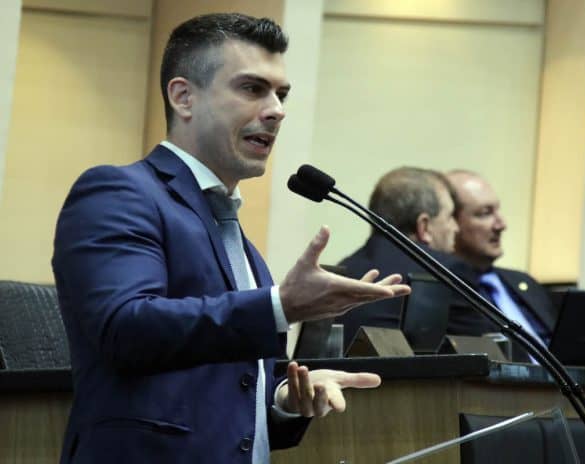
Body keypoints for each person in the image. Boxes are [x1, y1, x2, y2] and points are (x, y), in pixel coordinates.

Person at [51, 13, 409, 464]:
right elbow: (126, 329)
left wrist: (283, 398)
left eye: (281, 94)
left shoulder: (235, 237)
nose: (277, 110)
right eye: (252, 89)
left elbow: (228, 391)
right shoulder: (119, 193)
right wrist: (280, 306)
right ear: (184, 97)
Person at [336, 167, 463, 347]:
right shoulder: (446, 270)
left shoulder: (342, 270)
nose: (456, 228)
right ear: (424, 226)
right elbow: (487, 353)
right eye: (450, 217)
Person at [445, 170, 558, 359]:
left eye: (498, 210)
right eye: (485, 213)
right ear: (452, 222)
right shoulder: (446, 291)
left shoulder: (524, 281)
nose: (501, 224)